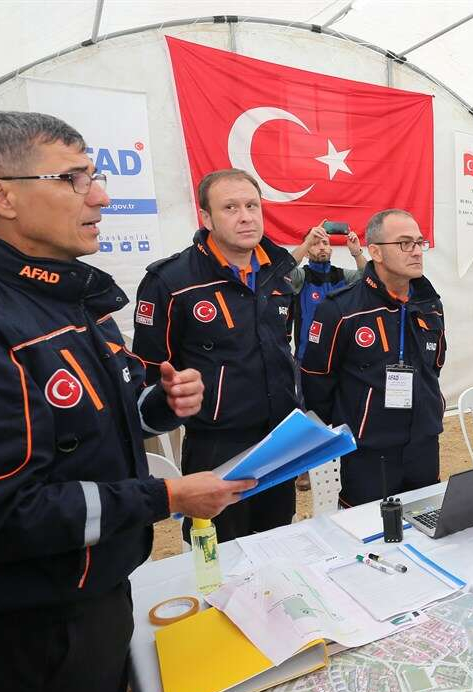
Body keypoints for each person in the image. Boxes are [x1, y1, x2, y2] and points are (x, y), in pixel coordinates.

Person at [0, 110, 251, 692]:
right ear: (2, 196)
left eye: (94, 175)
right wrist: (165, 496)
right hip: (33, 626)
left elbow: (92, 420)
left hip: (101, 591)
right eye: (74, 178)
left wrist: (158, 403)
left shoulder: (68, 293)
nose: (101, 196)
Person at [131, 168, 300, 543]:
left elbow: (282, 347)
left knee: (278, 545)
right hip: (216, 447)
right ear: (206, 218)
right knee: (219, 553)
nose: (246, 217)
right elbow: (149, 373)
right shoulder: (170, 281)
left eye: (252, 206)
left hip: (278, 440)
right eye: (230, 208)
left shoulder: (282, 271)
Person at [300, 209, 445, 507]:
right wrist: (354, 422)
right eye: (404, 243)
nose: (417, 251)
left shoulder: (430, 303)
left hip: (424, 444)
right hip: (369, 452)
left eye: (419, 242)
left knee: (424, 522)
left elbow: (435, 365)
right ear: (375, 251)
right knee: (367, 529)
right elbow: (317, 379)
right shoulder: (341, 309)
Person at [288, 222, 363, 361]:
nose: (322, 247)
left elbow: (370, 279)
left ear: (331, 249)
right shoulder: (302, 277)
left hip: (340, 358)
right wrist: (307, 242)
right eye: (315, 244)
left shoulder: (343, 276)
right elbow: (285, 269)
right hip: (307, 358)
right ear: (306, 253)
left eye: (325, 243)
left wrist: (356, 253)